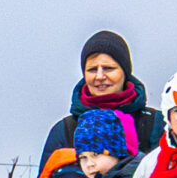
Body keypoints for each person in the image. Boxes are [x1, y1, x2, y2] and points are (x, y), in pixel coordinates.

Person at [40, 30, 164, 165]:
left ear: (125, 72)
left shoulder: (154, 123)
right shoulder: (66, 129)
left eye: (108, 68)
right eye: (92, 69)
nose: (99, 76)